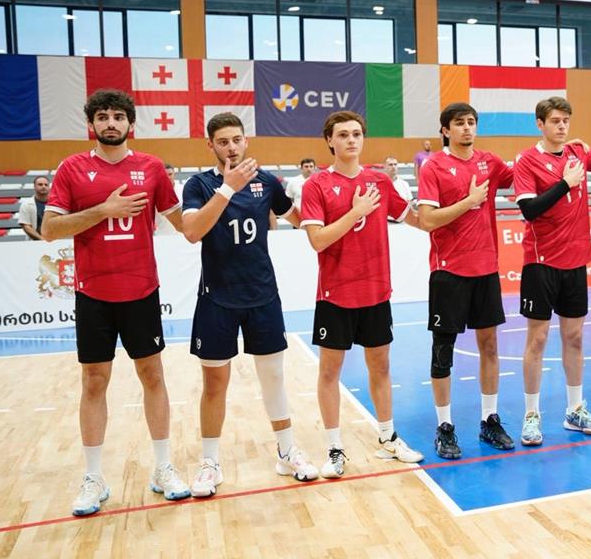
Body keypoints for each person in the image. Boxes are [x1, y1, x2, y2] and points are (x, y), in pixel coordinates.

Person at [41, 89, 189, 516]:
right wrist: (105, 210)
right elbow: (50, 230)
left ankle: (163, 467)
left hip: (141, 290)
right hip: (93, 293)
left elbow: (185, 223)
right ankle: (94, 477)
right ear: (91, 124)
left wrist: (226, 196)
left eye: (118, 116)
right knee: (93, 382)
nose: (111, 123)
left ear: (130, 124)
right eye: (103, 116)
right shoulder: (72, 168)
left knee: (153, 375)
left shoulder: (152, 167)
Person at [180, 112, 320, 496]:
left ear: (246, 141)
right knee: (215, 383)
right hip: (217, 298)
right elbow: (192, 231)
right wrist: (227, 189)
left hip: (262, 295)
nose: (231, 147)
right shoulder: (199, 185)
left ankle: (287, 452)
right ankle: (210, 463)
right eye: (223, 141)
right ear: (210, 145)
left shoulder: (267, 182)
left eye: (236, 140)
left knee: (273, 376)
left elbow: (301, 219)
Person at [300, 111, 424, 477]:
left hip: (375, 291)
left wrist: (457, 212)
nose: (351, 140)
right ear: (330, 140)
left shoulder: (379, 181)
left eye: (356, 133)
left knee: (381, 366)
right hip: (335, 294)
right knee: (330, 371)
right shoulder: (317, 185)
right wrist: (356, 212)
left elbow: (417, 219)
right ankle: (335, 448)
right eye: (343, 134)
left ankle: (387, 437)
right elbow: (317, 240)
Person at [416, 103, 516, 459]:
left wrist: (569, 148)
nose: (467, 128)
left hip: (485, 268)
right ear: (446, 130)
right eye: (459, 123)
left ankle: (489, 419)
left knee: (490, 346)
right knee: (443, 352)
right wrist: (470, 201)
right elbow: (427, 220)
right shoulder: (433, 167)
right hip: (449, 272)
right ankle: (444, 426)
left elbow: (525, 173)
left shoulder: (489, 162)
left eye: (471, 122)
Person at [513, 96, 591, 443]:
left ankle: (575, 410)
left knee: (575, 337)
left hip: (575, 262)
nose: (562, 126)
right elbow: (529, 210)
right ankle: (531, 415)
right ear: (540, 124)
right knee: (537, 339)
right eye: (555, 120)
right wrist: (566, 183)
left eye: (566, 120)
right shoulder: (526, 160)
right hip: (541, 263)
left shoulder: (578, 153)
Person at [17, 175, 51, 240]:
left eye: (46, 185)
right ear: (34, 187)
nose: (43, 186)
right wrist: (42, 239)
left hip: (56, 240)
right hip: (34, 242)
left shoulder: (57, 203)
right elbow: (26, 226)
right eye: (40, 184)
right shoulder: (26, 204)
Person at [154, 164, 184, 235]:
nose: (168, 177)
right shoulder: (154, 193)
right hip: (162, 234)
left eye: (170, 174)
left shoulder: (184, 190)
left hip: (182, 235)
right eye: (165, 175)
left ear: (174, 174)